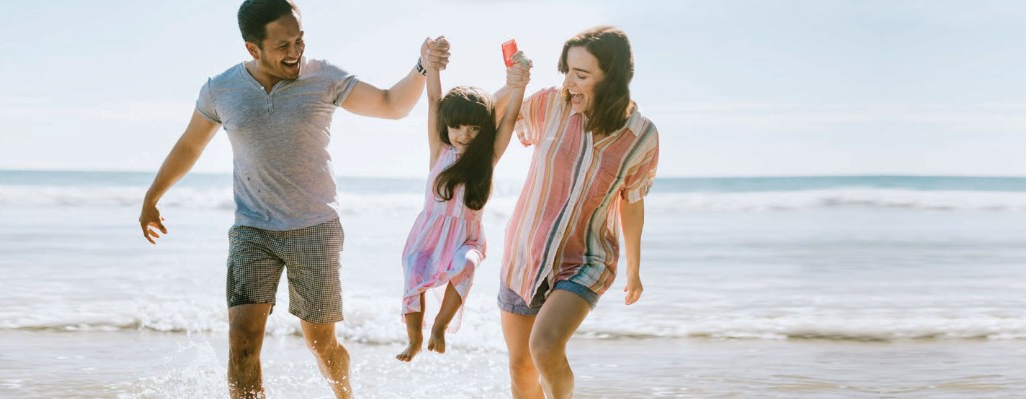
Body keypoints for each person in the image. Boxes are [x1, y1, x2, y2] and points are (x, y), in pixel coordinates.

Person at [136, 1, 449, 397]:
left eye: (299, 39)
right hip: (252, 230)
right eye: (283, 44)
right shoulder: (222, 89)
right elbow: (189, 146)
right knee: (242, 342)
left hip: (315, 229)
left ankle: (345, 393)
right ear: (253, 49)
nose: (295, 51)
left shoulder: (324, 78)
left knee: (320, 342)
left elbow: (391, 104)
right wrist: (153, 196)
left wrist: (422, 66)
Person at [494, 26, 660, 399]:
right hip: (525, 253)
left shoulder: (640, 136)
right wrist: (512, 85)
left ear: (612, 78)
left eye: (581, 75)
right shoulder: (549, 104)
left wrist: (634, 268)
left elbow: (631, 201)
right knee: (521, 367)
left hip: (586, 259)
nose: (569, 83)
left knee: (545, 347)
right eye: (566, 71)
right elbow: (488, 120)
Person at [395, 37, 531, 362]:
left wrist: (519, 86)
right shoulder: (438, 152)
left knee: (467, 265)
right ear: (446, 126)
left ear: (483, 129)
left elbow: (509, 120)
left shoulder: (487, 158)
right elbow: (432, 100)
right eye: (457, 127)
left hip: (466, 236)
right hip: (429, 232)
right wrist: (433, 67)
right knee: (414, 274)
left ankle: (440, 326)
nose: (464, 135)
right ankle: (414, 339)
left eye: (473, 128)